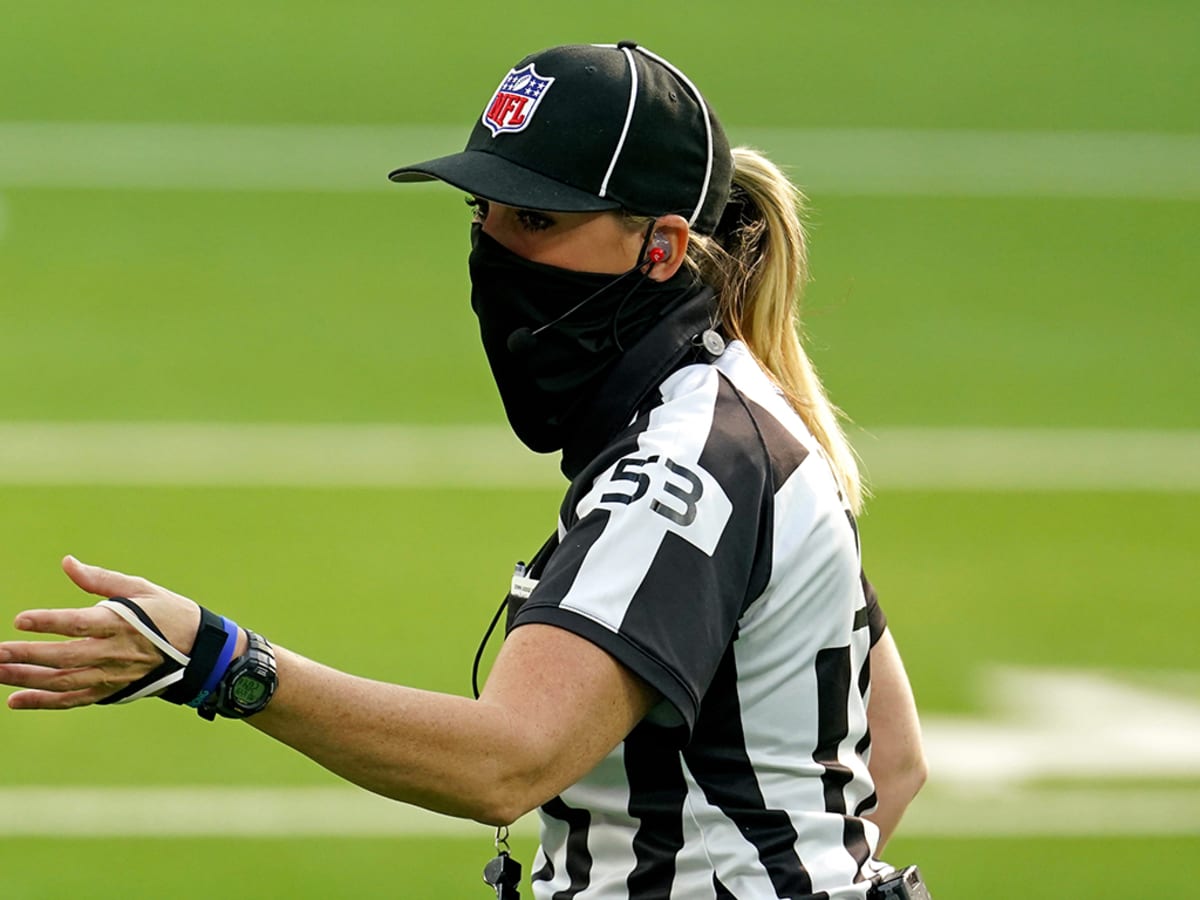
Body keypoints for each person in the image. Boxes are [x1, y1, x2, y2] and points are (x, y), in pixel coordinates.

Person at [0, 41, 927, 899]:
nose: (495, 250)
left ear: (662, 247)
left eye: (536, 218)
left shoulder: (688, 466)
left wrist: (221, 663)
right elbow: (891, 756)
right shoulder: (741, 413)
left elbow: (507, 763)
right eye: (482, 212)